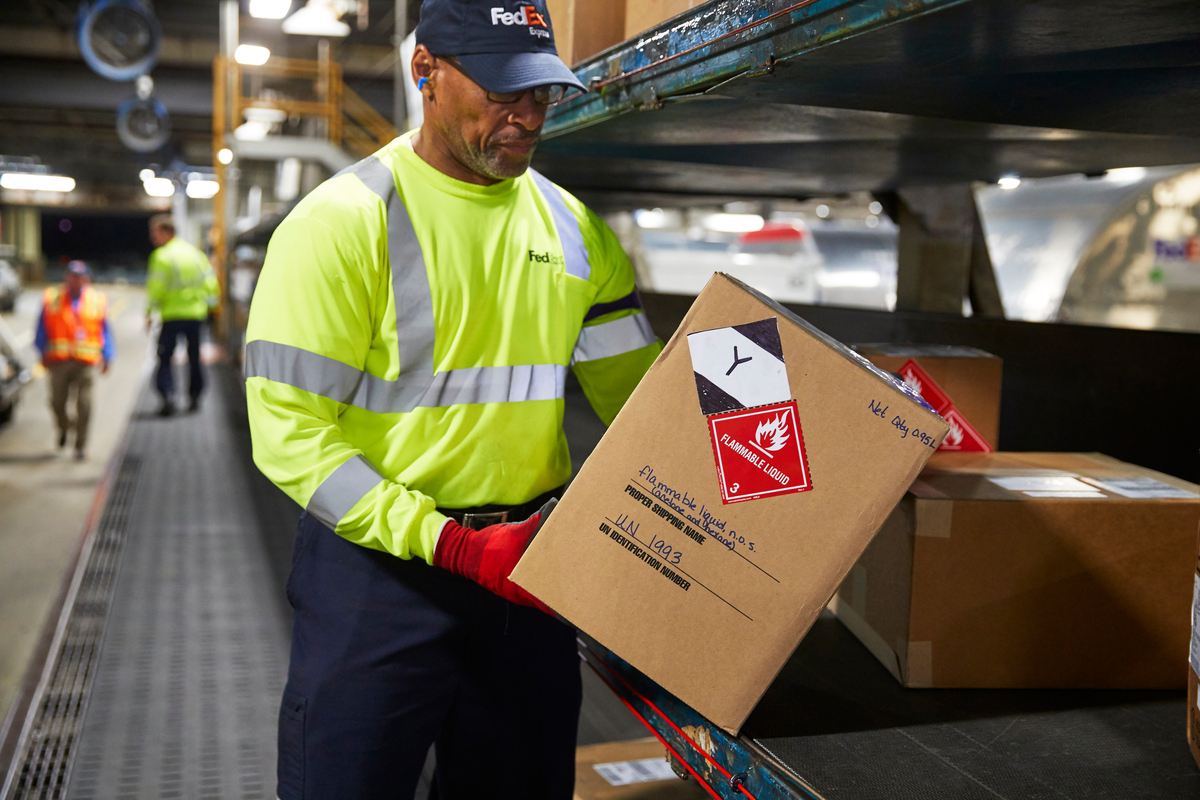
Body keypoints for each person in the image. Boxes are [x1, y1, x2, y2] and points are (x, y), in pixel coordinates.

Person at [244, 0, 662, 796]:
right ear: (425, 70)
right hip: (380, 578)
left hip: (528, 576)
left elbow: (644, 401)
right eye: (504, 91)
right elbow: (289, 432)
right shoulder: (341, 224)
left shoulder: (576, 231)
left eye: (540, 92)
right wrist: (450, 545)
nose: (528, 116)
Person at [35, 261, 113, 460]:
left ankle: (80, 445)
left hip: (85, 361)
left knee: (85, 404)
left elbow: (104, 330)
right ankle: (64, 427)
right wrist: (41, 353)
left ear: (86, 279)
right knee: (57, 402)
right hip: (58, 361)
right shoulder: (52, 298)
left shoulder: (96, 300)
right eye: (72, 276)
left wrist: (108, 356)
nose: (75, 280)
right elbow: (41, 328)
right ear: (66, 277)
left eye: (79, 276)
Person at [146, 214, 219, 415]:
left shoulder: (161, 256)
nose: (153, 237)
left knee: (165, 357)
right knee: (195, 357)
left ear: (166, 232)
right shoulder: (196, 254)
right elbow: (211, 283)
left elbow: (155, 289)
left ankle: (167, 396)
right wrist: (212, 309)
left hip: (172, 315)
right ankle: (195, 396)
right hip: (196, 315)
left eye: (155, 233)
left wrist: (150, 313)